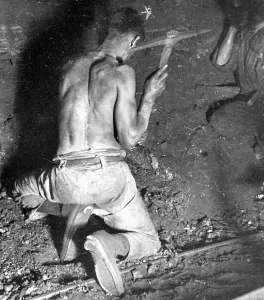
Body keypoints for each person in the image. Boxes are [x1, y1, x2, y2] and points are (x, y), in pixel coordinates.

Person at [14, 7, 168, 296]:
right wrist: (148, 97)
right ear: (133, 41)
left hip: (65, 180)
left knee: (21, 187)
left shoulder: (67, 66)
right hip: (108, 179)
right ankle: (110, 243)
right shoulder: (122, 71)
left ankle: (62, 208)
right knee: (149, 241)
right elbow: (131, 138)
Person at [210, 1, 264, 154]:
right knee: (222, 120)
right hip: (255, 103)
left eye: (262, 53)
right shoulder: (251, 39)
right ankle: (263, 138)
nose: (261, 58)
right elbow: (220, 63)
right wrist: (233, 27)